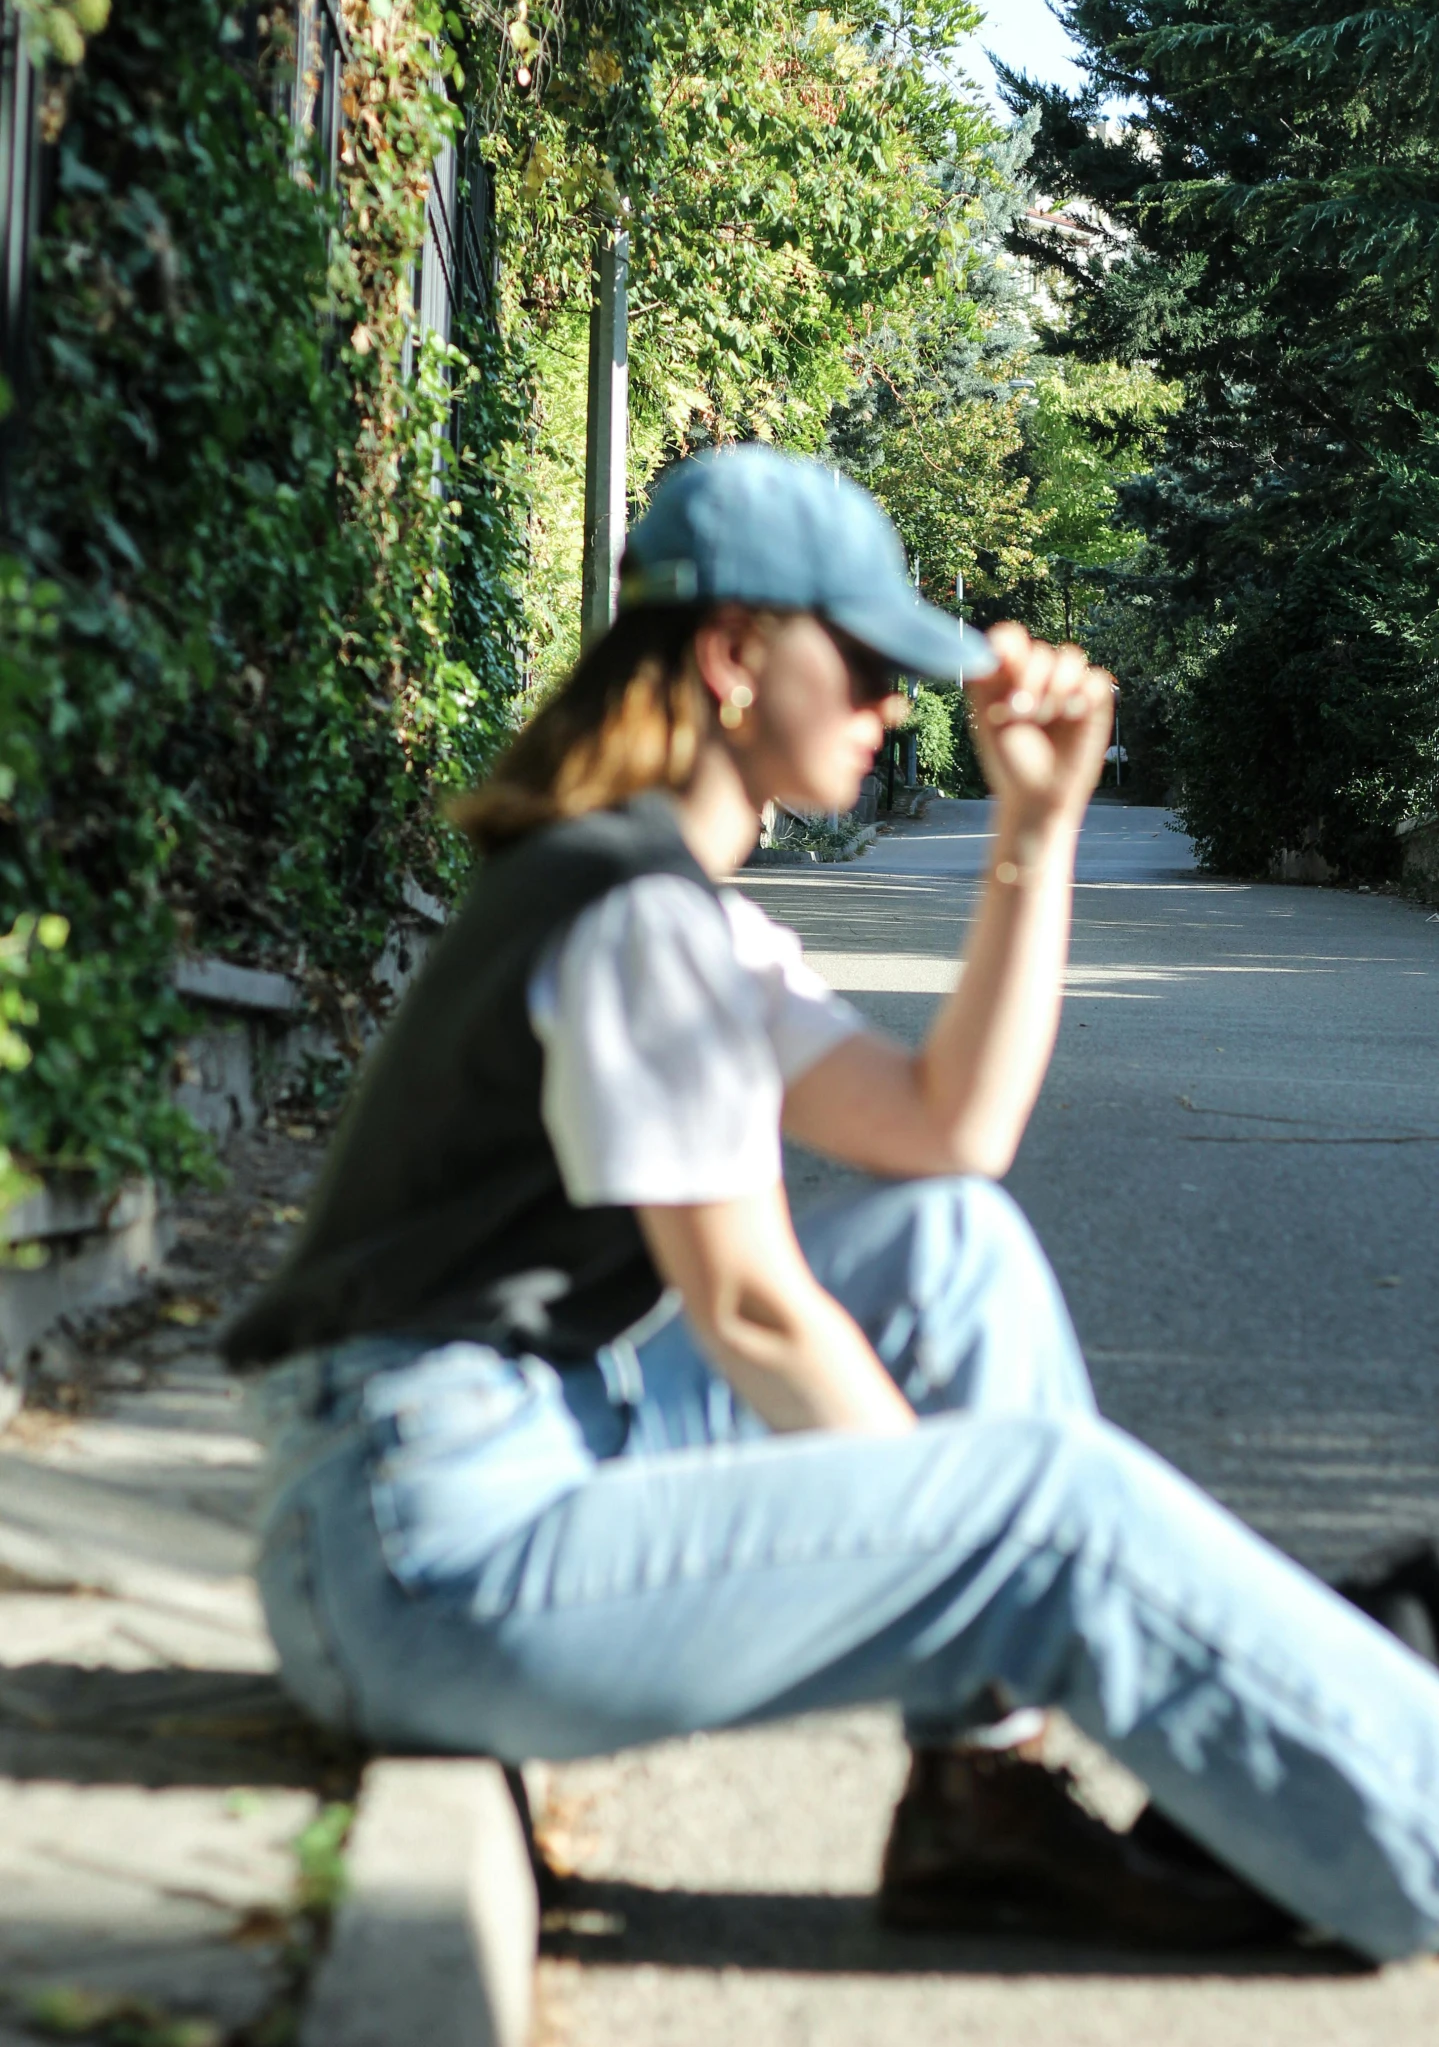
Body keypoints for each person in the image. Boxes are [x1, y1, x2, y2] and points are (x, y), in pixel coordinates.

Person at [226, 446, 1439, 1962]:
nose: (892, 707)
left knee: (950, 1247)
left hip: (503, 1467)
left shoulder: (669, 913)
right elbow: (743, 1308)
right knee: (1034, 1509)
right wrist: (963, 1538)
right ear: (736, 655)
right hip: (424, 1558)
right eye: (866, 665)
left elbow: (947, 1131)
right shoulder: (631, 916)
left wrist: (1035, 830)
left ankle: (979, 1804)